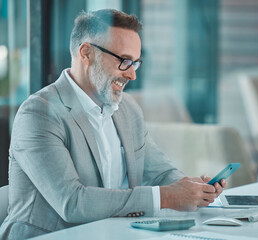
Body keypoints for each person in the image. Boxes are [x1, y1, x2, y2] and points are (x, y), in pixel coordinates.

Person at [0, 9, 225, 240]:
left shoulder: (127, 108)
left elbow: (159, 173)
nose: (132, 75)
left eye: (135, 63)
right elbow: (72, 202)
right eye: (124, 61)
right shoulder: (39, 113)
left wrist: (193, 189)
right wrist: (166, 197)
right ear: (86, 54)